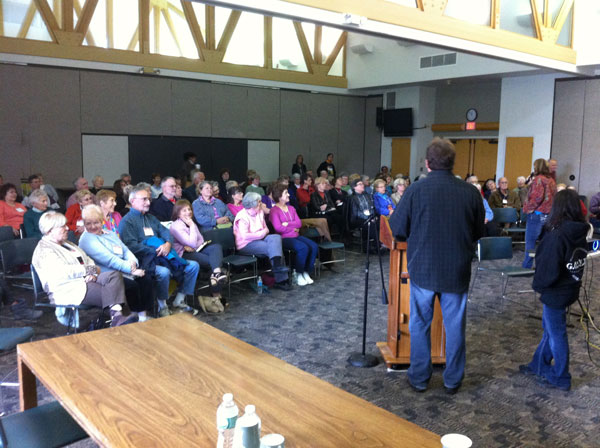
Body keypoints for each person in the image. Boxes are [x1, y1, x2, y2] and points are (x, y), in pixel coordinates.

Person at [389, 138, 485, 394]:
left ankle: (420, 378)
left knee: (419, 325)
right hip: (456, 270)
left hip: (423, 269)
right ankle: (453, 380)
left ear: (427, 163)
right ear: (453, 163)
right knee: (455, 327)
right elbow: (478, 232)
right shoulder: (470, 192)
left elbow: (397, 228)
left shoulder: (416, 190)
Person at [519, 189, 589, 391]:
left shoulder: (557, 235)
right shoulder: (579, 231)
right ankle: (538, 363)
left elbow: (547, 270)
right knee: (550, 330)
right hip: (570, 287)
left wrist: (539, 286)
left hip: (556, 291)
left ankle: (562, 376)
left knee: (556, 333)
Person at [32, 211, 137, 327]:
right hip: (68, 288)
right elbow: (64, 272)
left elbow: (88, 259)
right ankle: (121, 318)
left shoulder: (67, 243)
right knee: (115, 291)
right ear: (49, 230)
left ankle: (118, 317)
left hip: (85, 280)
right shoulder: (44, 250)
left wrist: (92, 273)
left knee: (114, 275)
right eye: (62, 226)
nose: (67, 228)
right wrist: (89, 270)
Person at [119, 185, 200, 317]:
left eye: (149, 199)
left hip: (164, 255)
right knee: (164, 272)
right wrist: (155, 250)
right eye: (144, 199)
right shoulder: (127, 221)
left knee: (193, 266)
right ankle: (163, 306)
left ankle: (179, 301)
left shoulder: (151, 218)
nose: (148, 202)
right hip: (144, 260)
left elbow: (166, 232)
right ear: (132, 201)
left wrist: (168, 244)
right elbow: (130, 246)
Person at [78, 205, 153, 322]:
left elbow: (125, 250)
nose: (92, 227)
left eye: (96, 223)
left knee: (146, 278)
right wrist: (131, 269)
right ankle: (132, 318)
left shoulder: (109, 233)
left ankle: (143, 315)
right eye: (88, 223)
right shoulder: (86, 239)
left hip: (123, 269)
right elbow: (110, 260)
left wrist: (133, 262)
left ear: (102, 221)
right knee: (132, 285)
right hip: (106, 274)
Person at [170, 200, 227, 313]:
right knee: (213, 261)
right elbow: (191, 242)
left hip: (197, 249)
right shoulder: (176, 226)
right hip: (184, 254)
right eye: (184, 210)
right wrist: (190, 238)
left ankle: (216, 273)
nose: (188, 212)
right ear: (178, 213)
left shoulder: (190, 222)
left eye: (189, 209)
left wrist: (192, 244)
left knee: (216, 247)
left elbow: (199, 240)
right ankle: (216, 295)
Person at [233, 192, 290, 290]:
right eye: (258, 202)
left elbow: (266, 229)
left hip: (261, 239)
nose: (261, 203)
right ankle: (281, 280)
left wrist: (262, 233)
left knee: (276, 237)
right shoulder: (242, 216)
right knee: (274, 248)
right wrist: (261, 234)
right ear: (252, 204)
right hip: (246, 244)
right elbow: (245, 236)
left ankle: (277, 267)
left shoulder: (259, 211)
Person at [269, 184, 317, 286]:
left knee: (314, 246)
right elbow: (278, 228)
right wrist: (293, 230)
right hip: (284, 238)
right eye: (286, 193)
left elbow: (299, 223)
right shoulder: (274, 210)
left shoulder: (291, 208)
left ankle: (306, 271)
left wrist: (288, 224)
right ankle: (298, 273)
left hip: (295, 235)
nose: (289, 195)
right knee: (303, 248)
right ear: (279, 196)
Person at [522, 159, 557, 269]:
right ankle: (543, 267)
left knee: (530, 242)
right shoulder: (551, 180)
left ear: (537, 167)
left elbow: (537, 197)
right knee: (544, 243)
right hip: (549, 216)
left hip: (537, 215)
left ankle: (527, 267)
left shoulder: (538, 179)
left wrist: (528, 208)